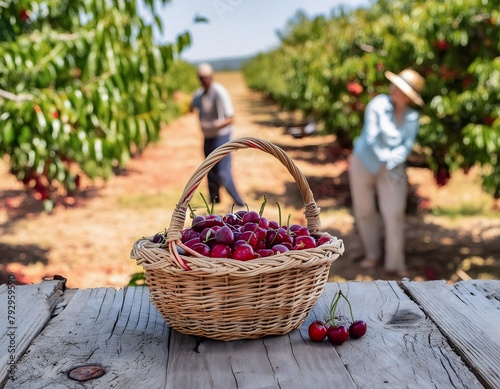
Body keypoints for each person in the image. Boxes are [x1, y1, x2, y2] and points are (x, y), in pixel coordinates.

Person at [348, 68, 425, 277]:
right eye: (395, 85)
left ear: (410, 96)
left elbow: (406, 146)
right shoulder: (378, 104)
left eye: (401, 89)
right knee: (365, 211)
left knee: (394, 213)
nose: (394, 90)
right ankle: (372, 255)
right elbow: (372, 137)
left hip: (393, 168)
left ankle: (395, 262)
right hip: (364, 161)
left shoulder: (411, 117)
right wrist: (388, 158)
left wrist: (393, 161)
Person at [190, 63, 245, 206]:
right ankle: (215, 206)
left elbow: (230, 118)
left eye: (207, 78)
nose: (205, 81)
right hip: (207, 138)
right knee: (210, 172)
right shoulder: (199, 94)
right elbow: (192, 107)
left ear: (212, 77)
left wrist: (214, 125)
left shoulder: (219, 92)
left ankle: (240, 205)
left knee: (223, 173)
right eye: (202, 78)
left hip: (221, 137)